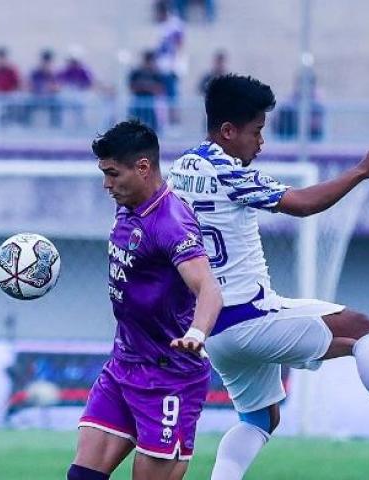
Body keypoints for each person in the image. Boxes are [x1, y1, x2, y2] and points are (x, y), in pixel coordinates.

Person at [169, 74, 369, 480]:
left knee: (260, 419)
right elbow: (300, 204)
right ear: (227, 131)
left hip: (211, 328)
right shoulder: (228, 171)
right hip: (249, 316)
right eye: (256, 132)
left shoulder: (177, 172)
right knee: (364, 329)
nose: (260, 142)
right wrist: (360, 171)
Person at [68, 120, 223, 480]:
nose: (107, 184)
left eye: (112, 174)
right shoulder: (127, 204)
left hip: (170, 376)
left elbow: (209, 288)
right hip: (124, 364)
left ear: (143, 167)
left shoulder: (171, 222)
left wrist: (197, 335)